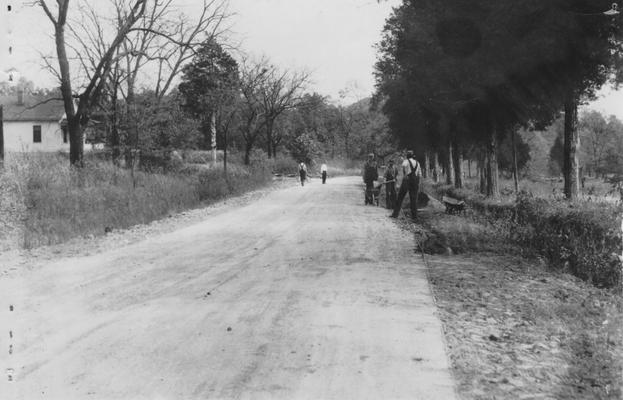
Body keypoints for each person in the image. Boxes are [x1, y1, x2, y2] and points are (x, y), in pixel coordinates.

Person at [391, 150, 421, 220]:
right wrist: (417, 183)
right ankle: (414, 217)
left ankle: (395, 214)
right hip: (415, 182)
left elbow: (403, 167)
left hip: (407, 181)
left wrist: (403, 176)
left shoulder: (406, 161)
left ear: (407, 156)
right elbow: (420, 174)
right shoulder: (417, 163)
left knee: (400, 197)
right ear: (413, 156)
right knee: (413, 199)